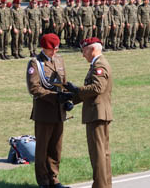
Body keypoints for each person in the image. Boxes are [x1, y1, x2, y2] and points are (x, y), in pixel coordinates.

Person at [65, 37, 113, 188]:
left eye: (84, 50)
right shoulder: (97, 64)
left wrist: (76, 90)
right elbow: (92, 91)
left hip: (96, 114)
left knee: (98, 155)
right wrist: (72, 98)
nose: (82, 54)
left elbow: (97, 88)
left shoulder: (99, 65)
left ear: (92, 49)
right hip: (97, 113)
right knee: (102, 154)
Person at [26, 33, 72, 188]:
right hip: (44, 112)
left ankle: (54, 178)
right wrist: (55, 97)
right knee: (42, 150)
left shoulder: (59, 60)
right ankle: (44, 181)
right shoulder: (35, 63)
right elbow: (34, 88)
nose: (55, 51)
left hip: (59, 112)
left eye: (57, 48)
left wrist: (67, 100)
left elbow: (63, 83)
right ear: (44, 48)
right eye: (52, 49)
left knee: (56, 148)